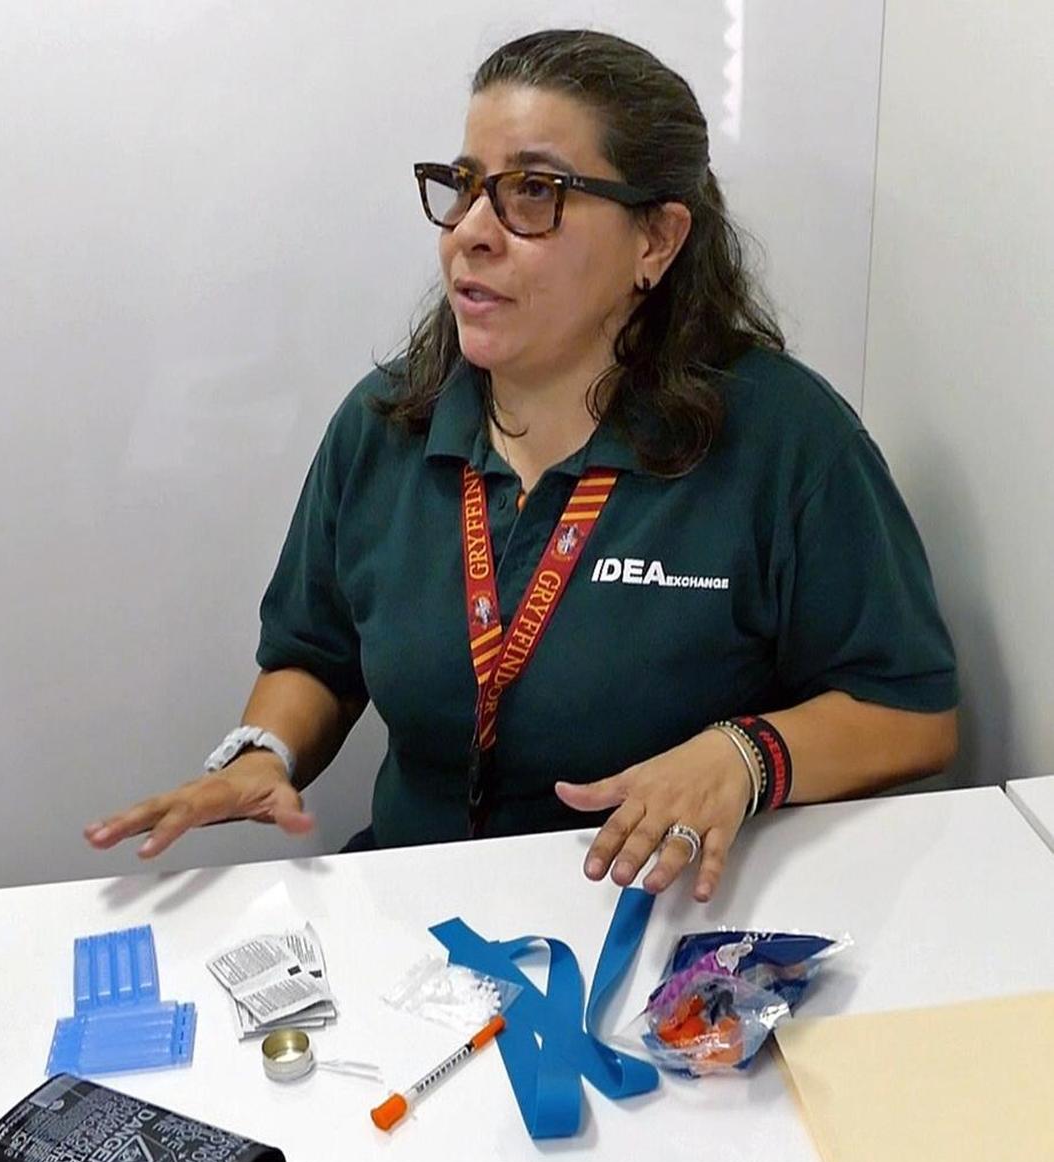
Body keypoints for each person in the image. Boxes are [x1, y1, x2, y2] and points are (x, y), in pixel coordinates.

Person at [85, 29, 958, 902]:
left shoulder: (784, 440)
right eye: (465, 187)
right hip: (413, 927)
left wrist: (744, 756)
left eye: (533, 193)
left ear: (656, 240)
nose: (469, 232)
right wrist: (263, 753)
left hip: (653, 934)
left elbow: (910, 714)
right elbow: (315, 655)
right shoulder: (387, 422)